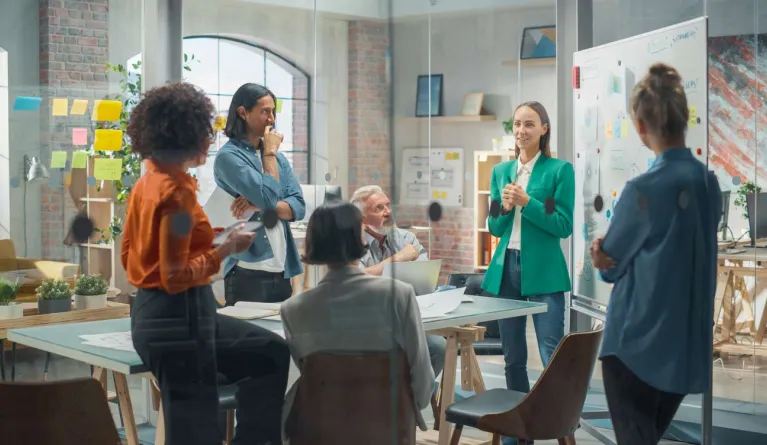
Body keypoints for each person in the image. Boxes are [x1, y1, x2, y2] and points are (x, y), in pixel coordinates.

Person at [123, 82, 290, 445]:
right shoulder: (175, 190)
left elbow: (134, 255)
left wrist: (215, 236)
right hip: (178, 320)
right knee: (196, 433)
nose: (211, 139)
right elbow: (173, 274)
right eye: (205, 130)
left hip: (158, 315)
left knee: (270, 353)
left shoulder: (148, 182)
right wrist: (225, 248)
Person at [591, 63, 721, 445]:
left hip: (634, 349)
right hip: (683, 351)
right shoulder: (708, 183)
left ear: (641, 127)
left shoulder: (643, 189)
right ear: (684, 120)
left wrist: (600, 257)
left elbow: (611, 265)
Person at [280, 201, 435, 441]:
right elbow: (422, 377)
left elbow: (314, 381)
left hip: (322, 430)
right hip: (390, 427)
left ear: (313, 243)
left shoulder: (293, 310)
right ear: (359, 238)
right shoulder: (399, 295)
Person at [481, 101, 575, 445]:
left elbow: (561, 224)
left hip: (545, 273)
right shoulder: (500, 172)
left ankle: (556, 426)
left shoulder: (558, 172)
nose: (521, 131)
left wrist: (527, 203)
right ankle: (516, 432)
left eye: (529, 124)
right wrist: (504, 208)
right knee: (513, 357)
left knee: (552, 356)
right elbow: (493, 225)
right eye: (517, 124)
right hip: (506, 271)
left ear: (544, 129)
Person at [214, 83, 305, 305]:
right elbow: (269, 199)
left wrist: (257, 205)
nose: (272, 119)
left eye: (273, 111)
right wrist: (270, 154)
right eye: (265, 111)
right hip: (248, 270)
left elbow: (299, 207)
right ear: (243, 113)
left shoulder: (278, 160)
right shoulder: (229, 157)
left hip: (282, 268)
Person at [350, 185, 447, 382]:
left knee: (438, 347)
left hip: (404, 317)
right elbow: (356, 280)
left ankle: (410, 399)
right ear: (362, 219)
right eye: (379, 208)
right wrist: (400, 259)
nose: (387, 212)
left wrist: (379, 273)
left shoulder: (406, 238)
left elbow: (424, 278)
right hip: (367, 323)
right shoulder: (352, 242)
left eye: (387, 205)